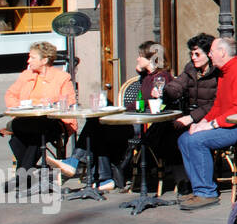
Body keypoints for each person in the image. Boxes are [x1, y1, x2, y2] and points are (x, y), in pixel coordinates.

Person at [51, 41, 174, 191]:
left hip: (145, 124)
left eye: (141, 56)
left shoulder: (162, 78)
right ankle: (99, 175)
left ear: (152, 58)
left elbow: (156, 103)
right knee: (97, 123)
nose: (137, 59)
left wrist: (125, 108)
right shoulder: (148, 76)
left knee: (99, 127)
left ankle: (78, 163)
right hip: (132, 119)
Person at [177, 37, 237, 210]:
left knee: (196, 140)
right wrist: (201, 122)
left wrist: (210, 125)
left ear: (222, 52)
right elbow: (218, 105)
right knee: (184, 138)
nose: (209, 55)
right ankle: (199, 188)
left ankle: (205, 193)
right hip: (234, 122)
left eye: (211, 51)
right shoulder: (225, 72)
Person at [2, 42, 77, 181]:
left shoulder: (62, 77)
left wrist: (49, 106)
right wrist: (19, 107)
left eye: (32, 57)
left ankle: (22, 176)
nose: (28, 61)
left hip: (53, 121)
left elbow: (69, 103)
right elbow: (10, 94)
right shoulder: (26, 75)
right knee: (18, 136)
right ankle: (26, 175)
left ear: (44, 60)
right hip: (26, 119)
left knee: (34, 132)